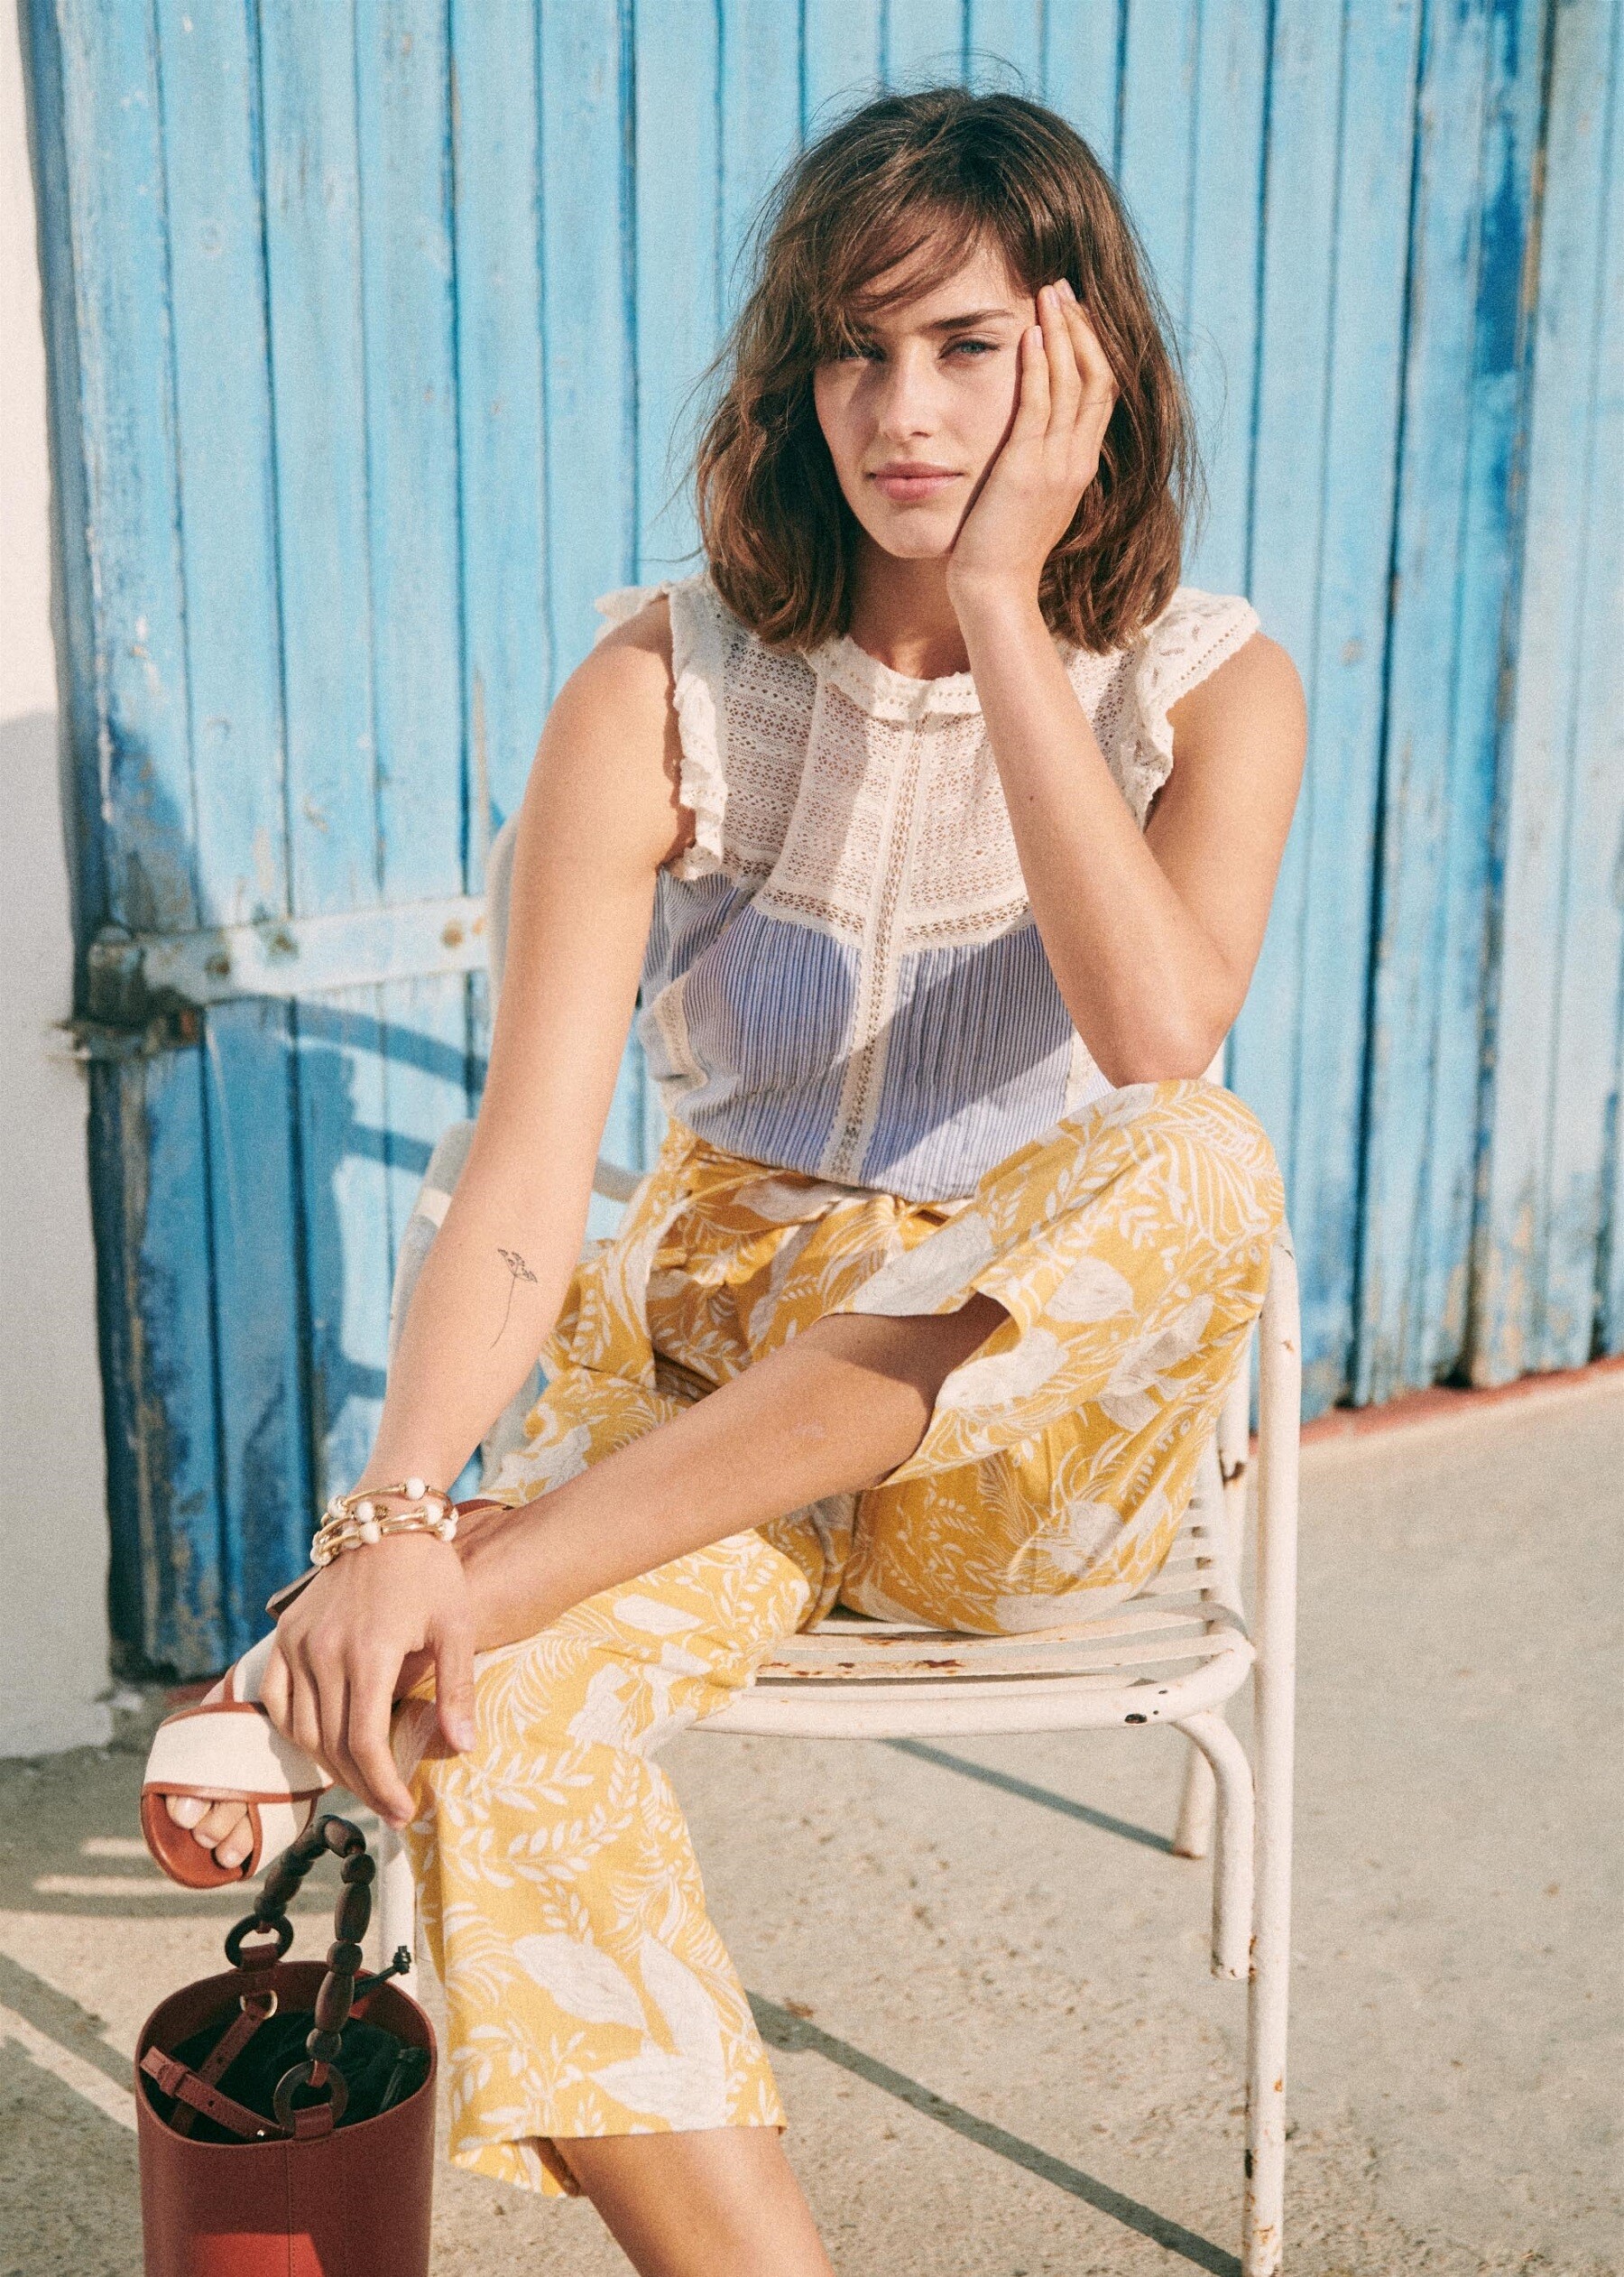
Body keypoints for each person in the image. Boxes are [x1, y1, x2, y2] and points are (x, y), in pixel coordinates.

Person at [141, 85, 1305, 2276]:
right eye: (855, 348)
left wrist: (1002, 600)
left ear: (1084, 362)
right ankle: (453, 1607)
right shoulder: (661, 684)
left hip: (1010, 1454)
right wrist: (394, 1505)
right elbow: (528, 1158)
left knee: (1198, 1152)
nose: (903, 410)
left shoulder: (1209, 684)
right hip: (706, 1392)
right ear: (794, 370)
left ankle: (467, 1585)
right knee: (490, 1722)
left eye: (967, 346)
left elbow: (1159, 1025)